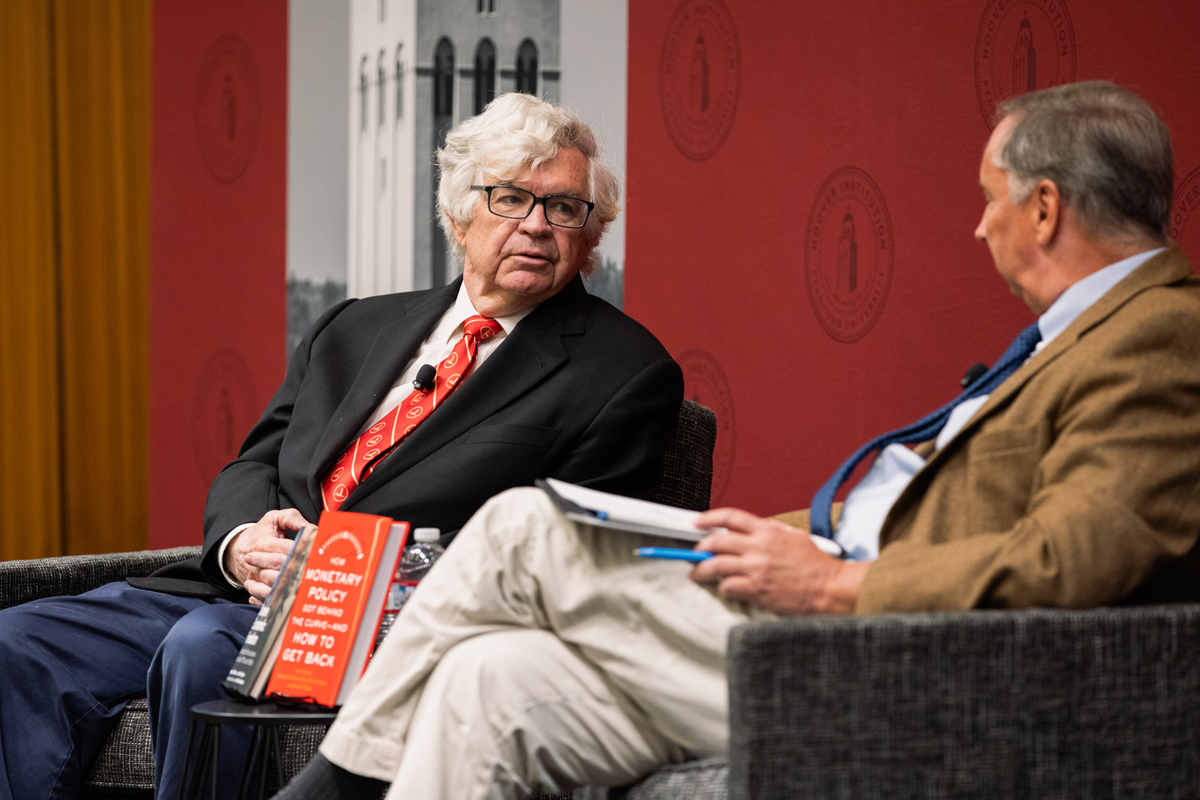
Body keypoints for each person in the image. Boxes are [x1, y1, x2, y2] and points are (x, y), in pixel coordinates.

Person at [273, 80, 1200, 800]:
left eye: (990, 199)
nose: (979, 222)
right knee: (488, 676)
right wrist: (766, 539)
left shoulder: (1159, 336)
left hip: (908, 663)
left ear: (1042, 210)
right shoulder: (1075, 341)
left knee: (521, 527)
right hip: (828, 612)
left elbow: (1078, 562)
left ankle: (335, 784)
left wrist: (834, 580)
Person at [0, 92, 684, 800]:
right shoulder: (353, 329)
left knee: (203, 650)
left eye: (564, 208)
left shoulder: (623, 374)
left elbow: (561, 557)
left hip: (388, 626)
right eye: (512, 198)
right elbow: (257, 462)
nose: (537, 226)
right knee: (16, 643)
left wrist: (348, 580)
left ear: (591, 235)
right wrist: (240, 542)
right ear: (458, 212)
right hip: (239, 592)